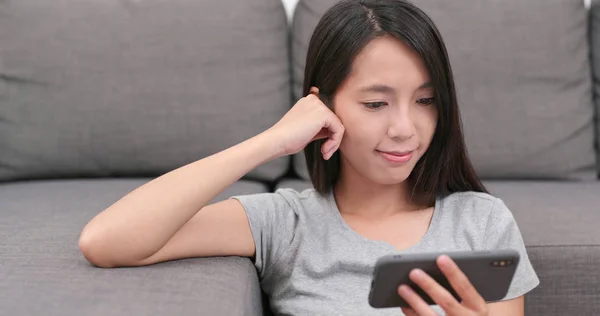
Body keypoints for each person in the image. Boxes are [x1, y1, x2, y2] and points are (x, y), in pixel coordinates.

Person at [78, 0, 539, 315]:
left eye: (425, 100)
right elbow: (106, 240)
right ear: (323, 106)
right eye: (376, 104)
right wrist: (272, 141)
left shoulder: (483, 223)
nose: (404, 128)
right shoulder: (287, 224)